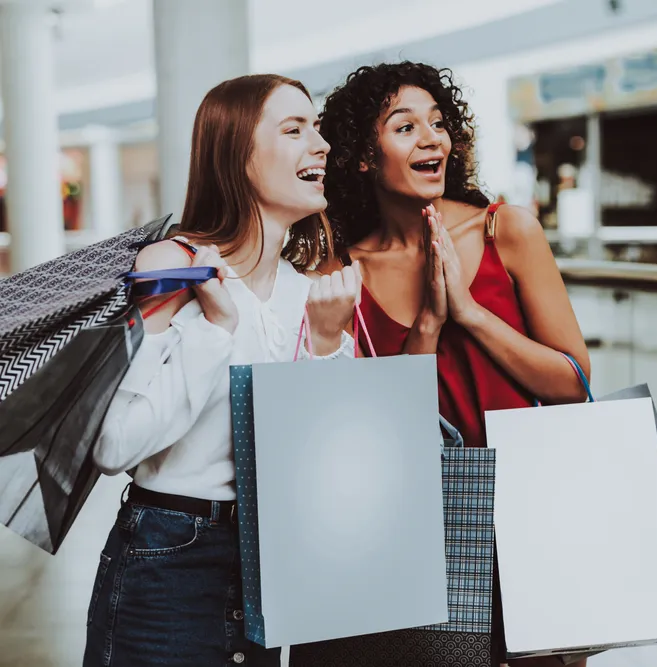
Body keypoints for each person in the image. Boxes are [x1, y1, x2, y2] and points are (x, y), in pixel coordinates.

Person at [317, 61, 590, 667]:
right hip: (425, 525)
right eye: (405, 127)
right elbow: (380, 429)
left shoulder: (505, 230)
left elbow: (574, 382)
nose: (431, 139)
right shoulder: (342, 272)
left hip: (530, 509)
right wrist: (428, 326)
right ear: (363, 156)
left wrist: (470, 315)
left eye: (438, 124)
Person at [84, 74, 359, 667]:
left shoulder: (310, 294)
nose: (322, 144)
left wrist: (330, 339)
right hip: (168, 557)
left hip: (270, 563)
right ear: (237, 154)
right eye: (294, 129)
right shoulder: (172, 266)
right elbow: (112, 445)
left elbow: (325, 461)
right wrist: (215, 329)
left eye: (316, 127)